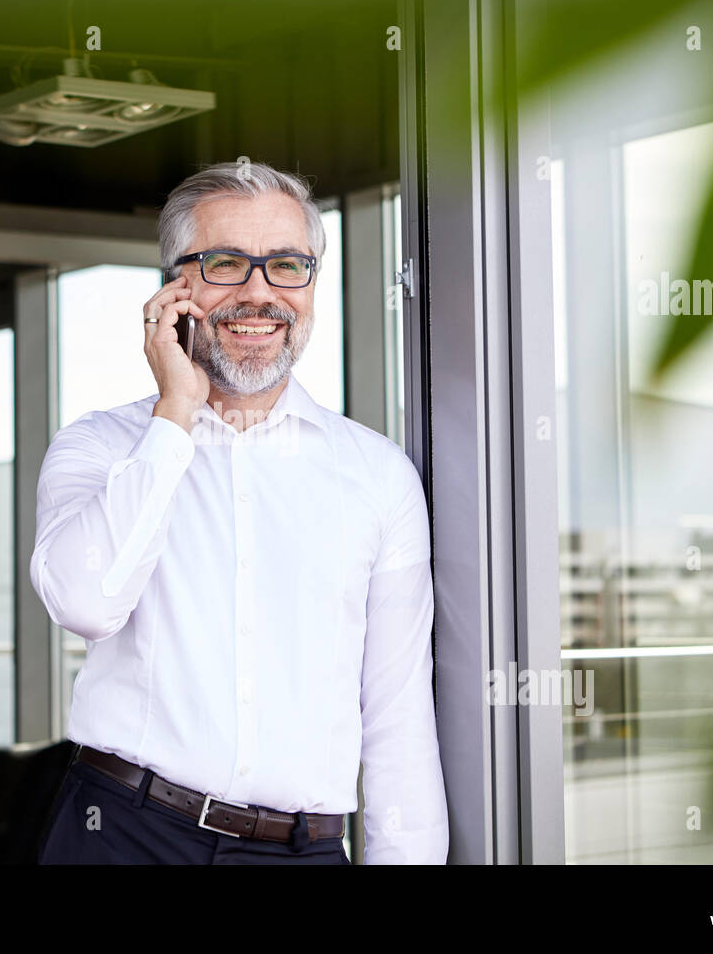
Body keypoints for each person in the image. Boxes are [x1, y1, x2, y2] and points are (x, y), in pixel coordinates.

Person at [31, 161, 447, 864]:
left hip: (302, 851)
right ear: (174, 288)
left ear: (313, 284)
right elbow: (84, 603)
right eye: (226, 263)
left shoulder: (377, 477)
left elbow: (399, 718)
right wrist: (175, 416)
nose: (260, 293)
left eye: (287, 265)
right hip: (123, 834)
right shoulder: (100, 447)